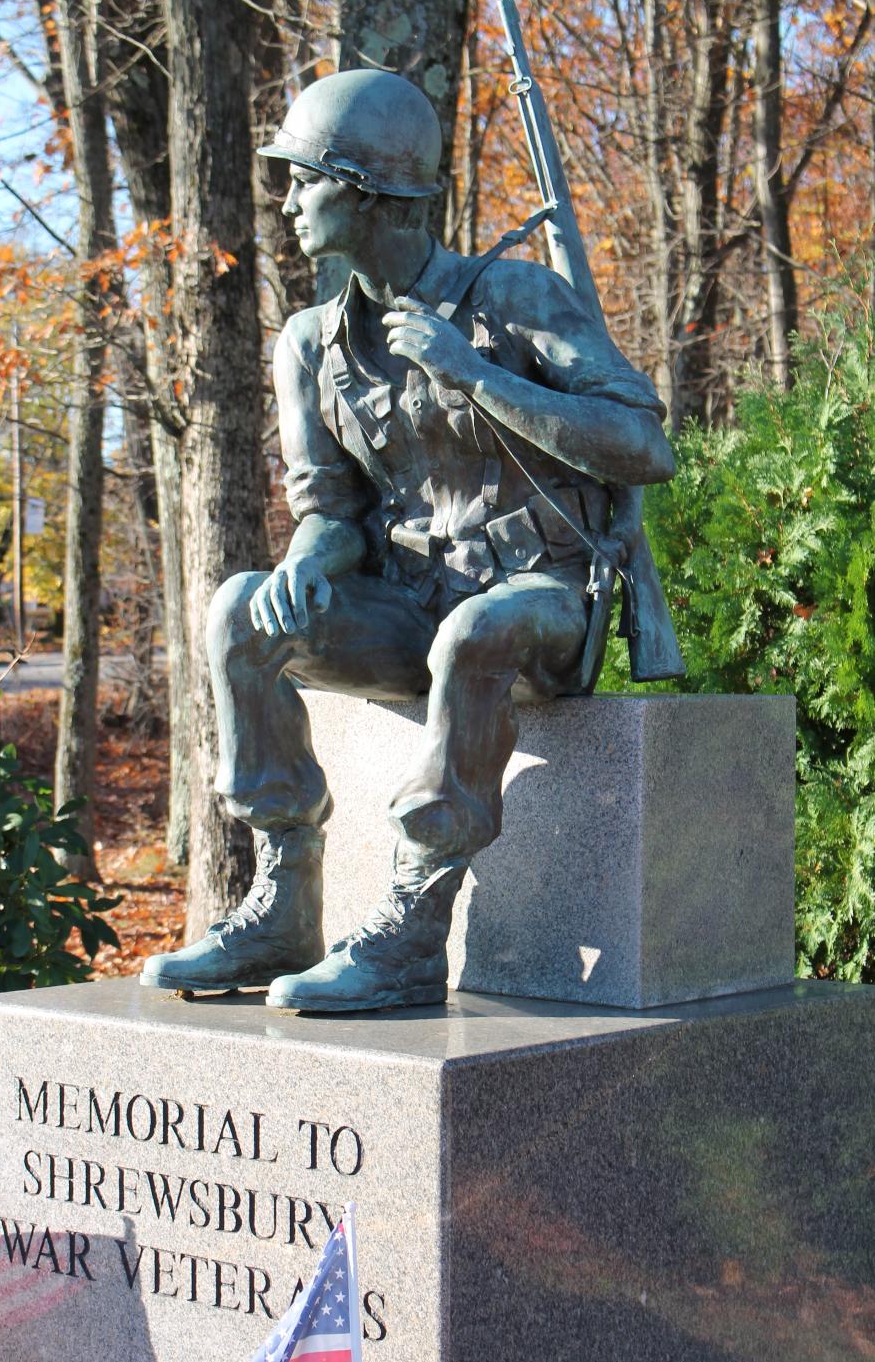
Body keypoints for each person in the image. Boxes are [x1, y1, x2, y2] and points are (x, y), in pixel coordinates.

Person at [140, 69, 675, 1011]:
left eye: (306, 179)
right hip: (409, 604)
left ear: (365, 190)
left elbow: (643, 445)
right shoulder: (309, 343)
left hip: (538, 603)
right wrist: (309, 561)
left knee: (473, 633)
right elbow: (331, 512)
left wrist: (475, 374)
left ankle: (411, 931)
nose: (291, 200)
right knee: (239, 610)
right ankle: (283, 902)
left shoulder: (512, 296)